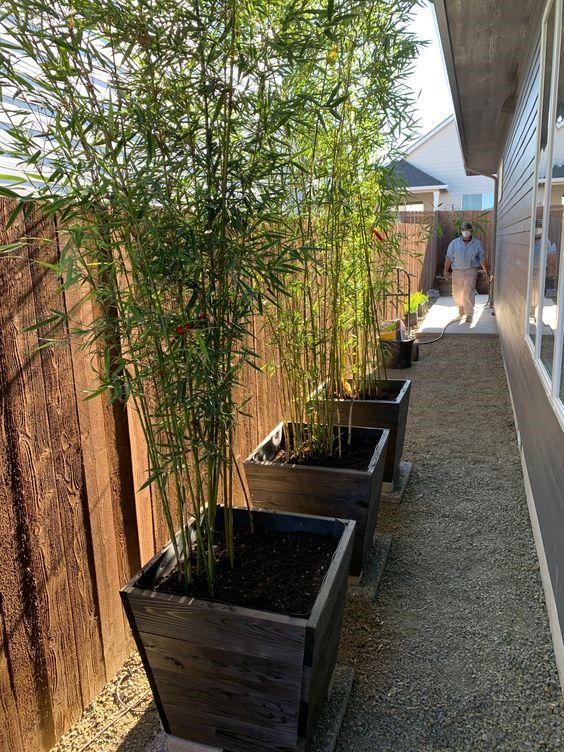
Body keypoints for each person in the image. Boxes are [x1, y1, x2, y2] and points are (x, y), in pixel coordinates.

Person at [443, 221, 492, 323]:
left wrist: (487, 272)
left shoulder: (477, 244)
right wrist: (446, 270)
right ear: (460, 231)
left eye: (467, 230)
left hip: (471, 270)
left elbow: (482, 259)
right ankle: (461, 307)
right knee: (457, 292)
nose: (465, 232)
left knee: (468, 292)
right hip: (457, 271)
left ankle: (469, 314)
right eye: (463, 230)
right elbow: (448, 257)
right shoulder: (454, 243)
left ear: (471, 231)